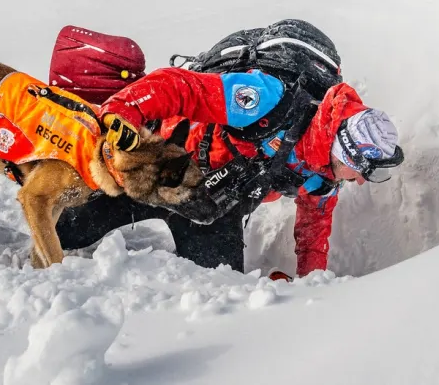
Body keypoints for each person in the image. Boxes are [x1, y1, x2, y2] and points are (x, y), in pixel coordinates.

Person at [54, 25, 404, 278]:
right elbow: (180, 86)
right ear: (344, 151)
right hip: (166, 168)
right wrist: (124, 111)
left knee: (216, 287)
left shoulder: (324, 177)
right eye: (364, 171)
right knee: (68, 232)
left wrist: (312, 286)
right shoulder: (267, 99)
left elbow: (315, 234)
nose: (360, 181)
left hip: (213, 210)